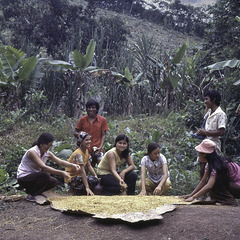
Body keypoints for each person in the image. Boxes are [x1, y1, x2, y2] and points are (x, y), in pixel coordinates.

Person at [17, 132, 80, 202]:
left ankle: (36, 192)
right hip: (24, 178)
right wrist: (61, 173)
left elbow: (60, 161)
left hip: (34, 177)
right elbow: (43, 167)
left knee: (53, 181)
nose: (49, 147)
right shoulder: (32, 152)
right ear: (42, 144)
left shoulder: (47, 153)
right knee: (45, 175)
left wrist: (72, 165)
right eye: (49, 145)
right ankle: (31, 194)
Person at [182, 139, 240, 206]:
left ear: (204, 154)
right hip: (232, 185)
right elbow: (203, 182)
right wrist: (191, 195)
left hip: (237, 187)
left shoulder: (217, 165)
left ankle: (228, 201)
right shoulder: (210, 164)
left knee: (215, 182)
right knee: (213, 181)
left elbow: (209, 185)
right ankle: (221, 200)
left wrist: (193, 197)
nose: (198, 154)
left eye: (199, 152)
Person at [196, 90, 227, 179]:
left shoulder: (221, 114)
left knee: (211, 170)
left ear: (214, 100)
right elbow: (205, 118)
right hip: (205, 144)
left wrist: (205, 132)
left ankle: (211, 190)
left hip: (213, 145)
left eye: (207, 99)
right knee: (202, 169)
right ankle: (202, 191)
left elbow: (222, 132)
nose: (205, 101)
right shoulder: (209, 112)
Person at [74, 99, 109, 167]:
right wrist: (81, 136)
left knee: (102, 166)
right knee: (84, 167)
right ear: (86, 109)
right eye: (89, 108)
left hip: (97, 148)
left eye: (93, 107)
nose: (91, 109)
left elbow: (103, 135)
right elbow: (75, 132)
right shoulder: (82, 120)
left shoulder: (102, 120)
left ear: (97, 109)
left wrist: (100, 147)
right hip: (84, 148)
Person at [65, 131, 99, 196]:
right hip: (71, 177)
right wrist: (87, 187)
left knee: (95, 180)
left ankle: (81, 190)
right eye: (86, 140)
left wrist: (95, 176)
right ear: (81, 141)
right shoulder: (78, 153)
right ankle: (74, 190)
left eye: (89, 140)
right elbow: (82, 171)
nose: (89, 141)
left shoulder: (86, 150)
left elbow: (89, 166)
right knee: (91, 181)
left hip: (79, 176)